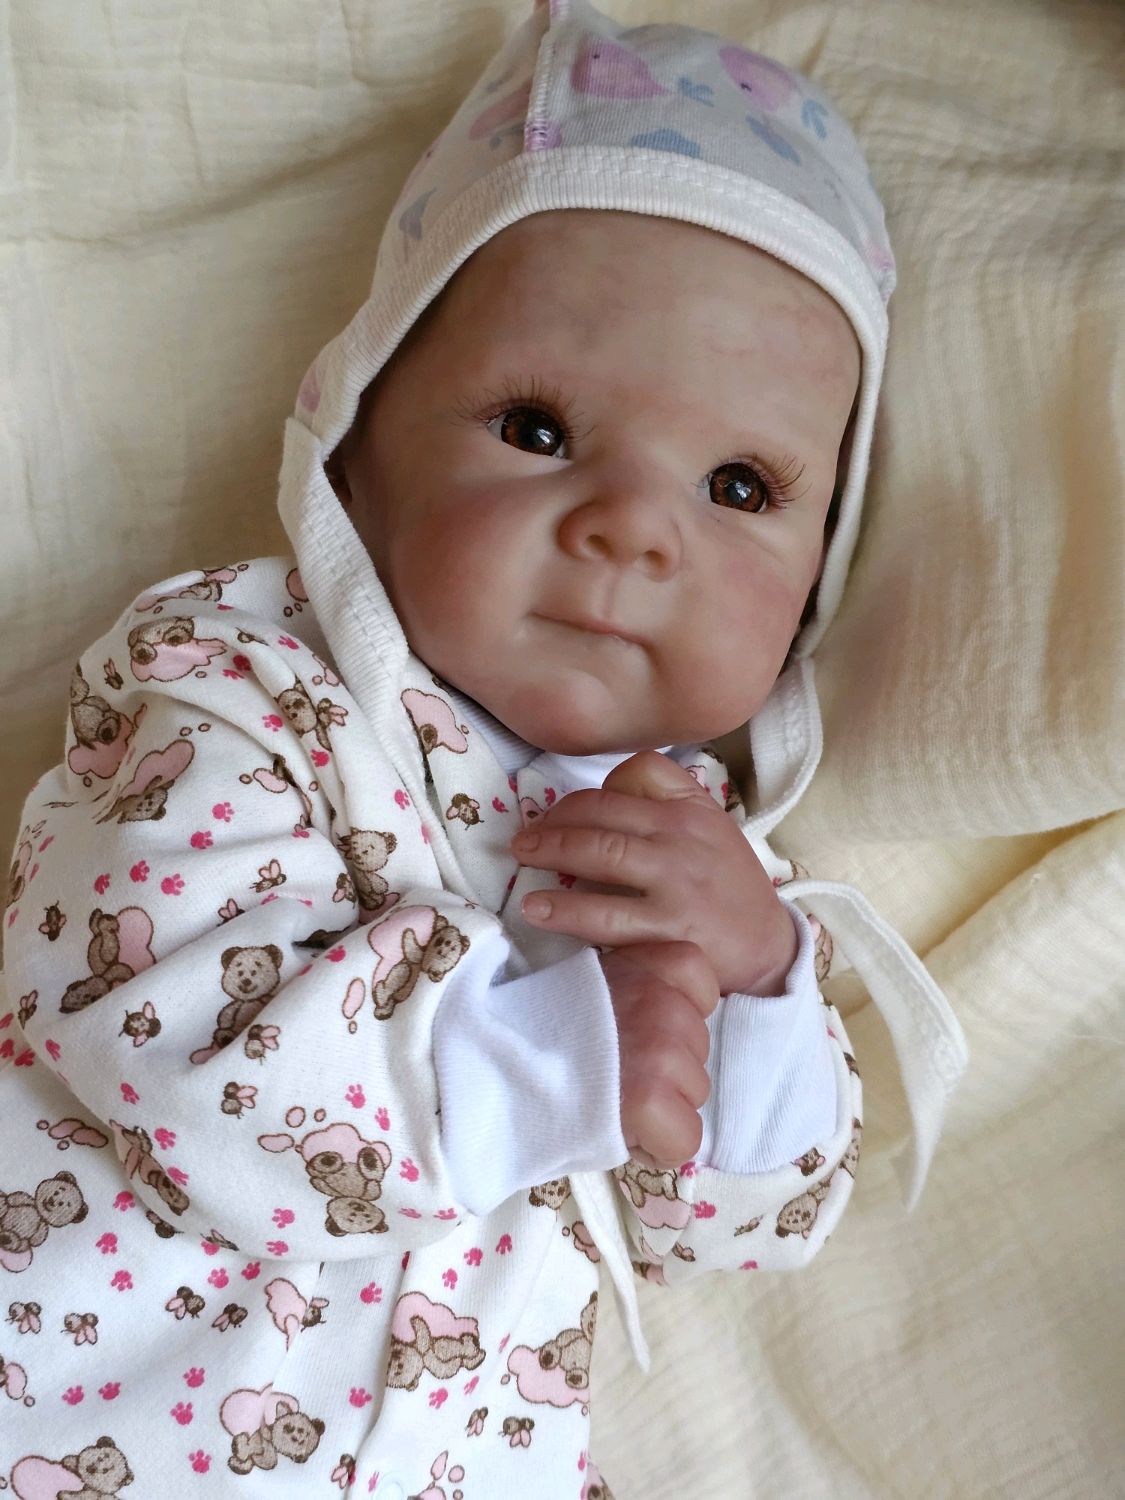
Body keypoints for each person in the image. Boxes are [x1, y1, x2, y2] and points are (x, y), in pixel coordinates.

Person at [0, 2, 967, 1494]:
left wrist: (758, 988)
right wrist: (572, 1051)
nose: (632, 529)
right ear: (352, 449)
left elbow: (740, 1228)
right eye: (536, 429)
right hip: (87, 1419)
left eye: (736, 486)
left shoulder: (702, 858)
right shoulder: (232, 684)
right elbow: (162, 1040)